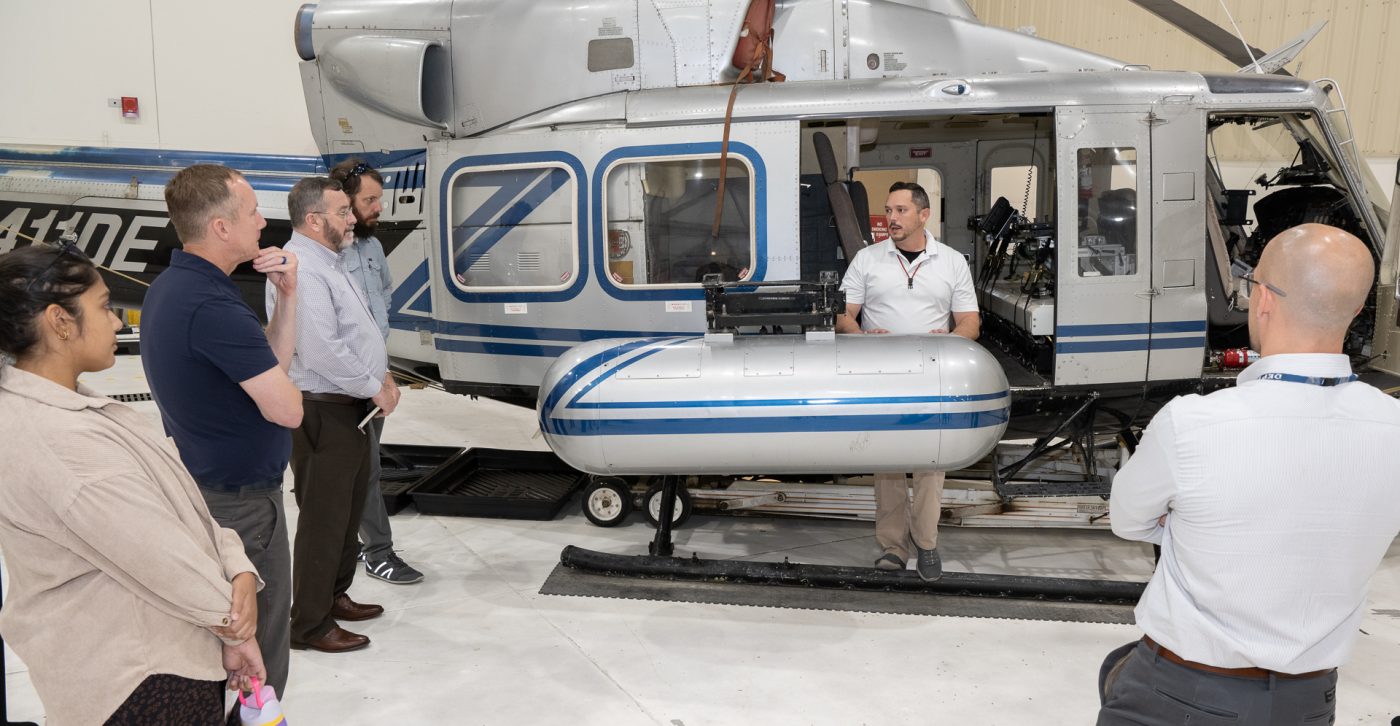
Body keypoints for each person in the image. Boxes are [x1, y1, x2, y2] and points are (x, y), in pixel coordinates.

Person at [1098, 223, 1400, 725]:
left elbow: (1128, 521)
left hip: (1180, 695)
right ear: (1353, 310)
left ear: (1263, 300)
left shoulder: (1192, 423)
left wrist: (1187, 528)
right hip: (1308, 702)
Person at [0, 243, 266, 725]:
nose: (118, 322)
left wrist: (238, 567)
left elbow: (181, 507)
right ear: (61, 321)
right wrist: (236, 627)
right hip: (140, 680)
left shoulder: (69, 407)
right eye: (104, 307)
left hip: (162, 656)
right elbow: (159, 554)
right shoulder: (57, 440)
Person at [140, 164, 301, 697]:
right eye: (253, 210)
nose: (263, 221)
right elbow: (288, 409)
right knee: (257, 661)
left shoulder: (179, 286)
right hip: (241, 508)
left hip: (212, 490)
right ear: (222, 228)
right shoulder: (210, 305)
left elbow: (269, 369)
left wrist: (288, 296)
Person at [271, 176, 398, 653]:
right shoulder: (301, 266)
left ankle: (333, 595)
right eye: (343, 211)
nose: (352, 218)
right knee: (324, 520)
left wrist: (380, 381)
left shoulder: (332, 261)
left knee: (346, 515)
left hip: (352, 407)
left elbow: (356, 332)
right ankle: (308, 624)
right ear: (313, 219)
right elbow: (322, 349)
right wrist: (373, 387)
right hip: (324, 411)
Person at [836, 181, 980, 581]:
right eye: (888, 210)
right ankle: (893, 547)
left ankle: (927, 543)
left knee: (931, 466)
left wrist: (949, 340)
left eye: (900, 211)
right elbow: (842, 314)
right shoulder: (867, 260)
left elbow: (970, 324)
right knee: (888, 466)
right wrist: (861, 336)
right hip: (881, 376)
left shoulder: (951, 262)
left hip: (931, 375)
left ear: (923, 215)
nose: (891, 219)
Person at [330, 158, 424, 585]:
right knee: (362, 471)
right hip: (344, 383)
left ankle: (350, 549)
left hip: (373, 374)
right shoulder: (324, 255)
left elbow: (383, 293)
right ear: (343, 201)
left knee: (363, 470)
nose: (378, 208)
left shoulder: (370, 247)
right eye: (369, 200)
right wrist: (366, 379)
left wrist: (382, 368)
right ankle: (377, 552)